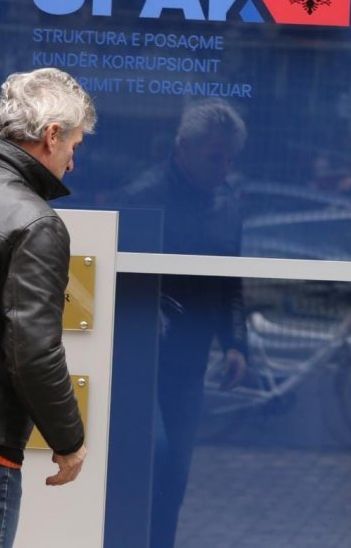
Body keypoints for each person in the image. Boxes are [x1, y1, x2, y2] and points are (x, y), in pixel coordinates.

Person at [111, 98, 249, 547]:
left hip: (190, 362)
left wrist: (235, 344)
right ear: (183, 148)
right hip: (141, 361)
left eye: (230, 158)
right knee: (151, 457)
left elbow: (230, 283)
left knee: (175, 476)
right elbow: (115, 276)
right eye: (214, 157)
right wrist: (141, 308)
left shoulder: (228, 204)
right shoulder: (142, 197)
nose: (224, 168)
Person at [0, 67, 95, 547]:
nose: (72, 164)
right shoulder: (35, 223)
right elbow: (33, 353)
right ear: (51, 135)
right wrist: (69, 441)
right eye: (74, 147)